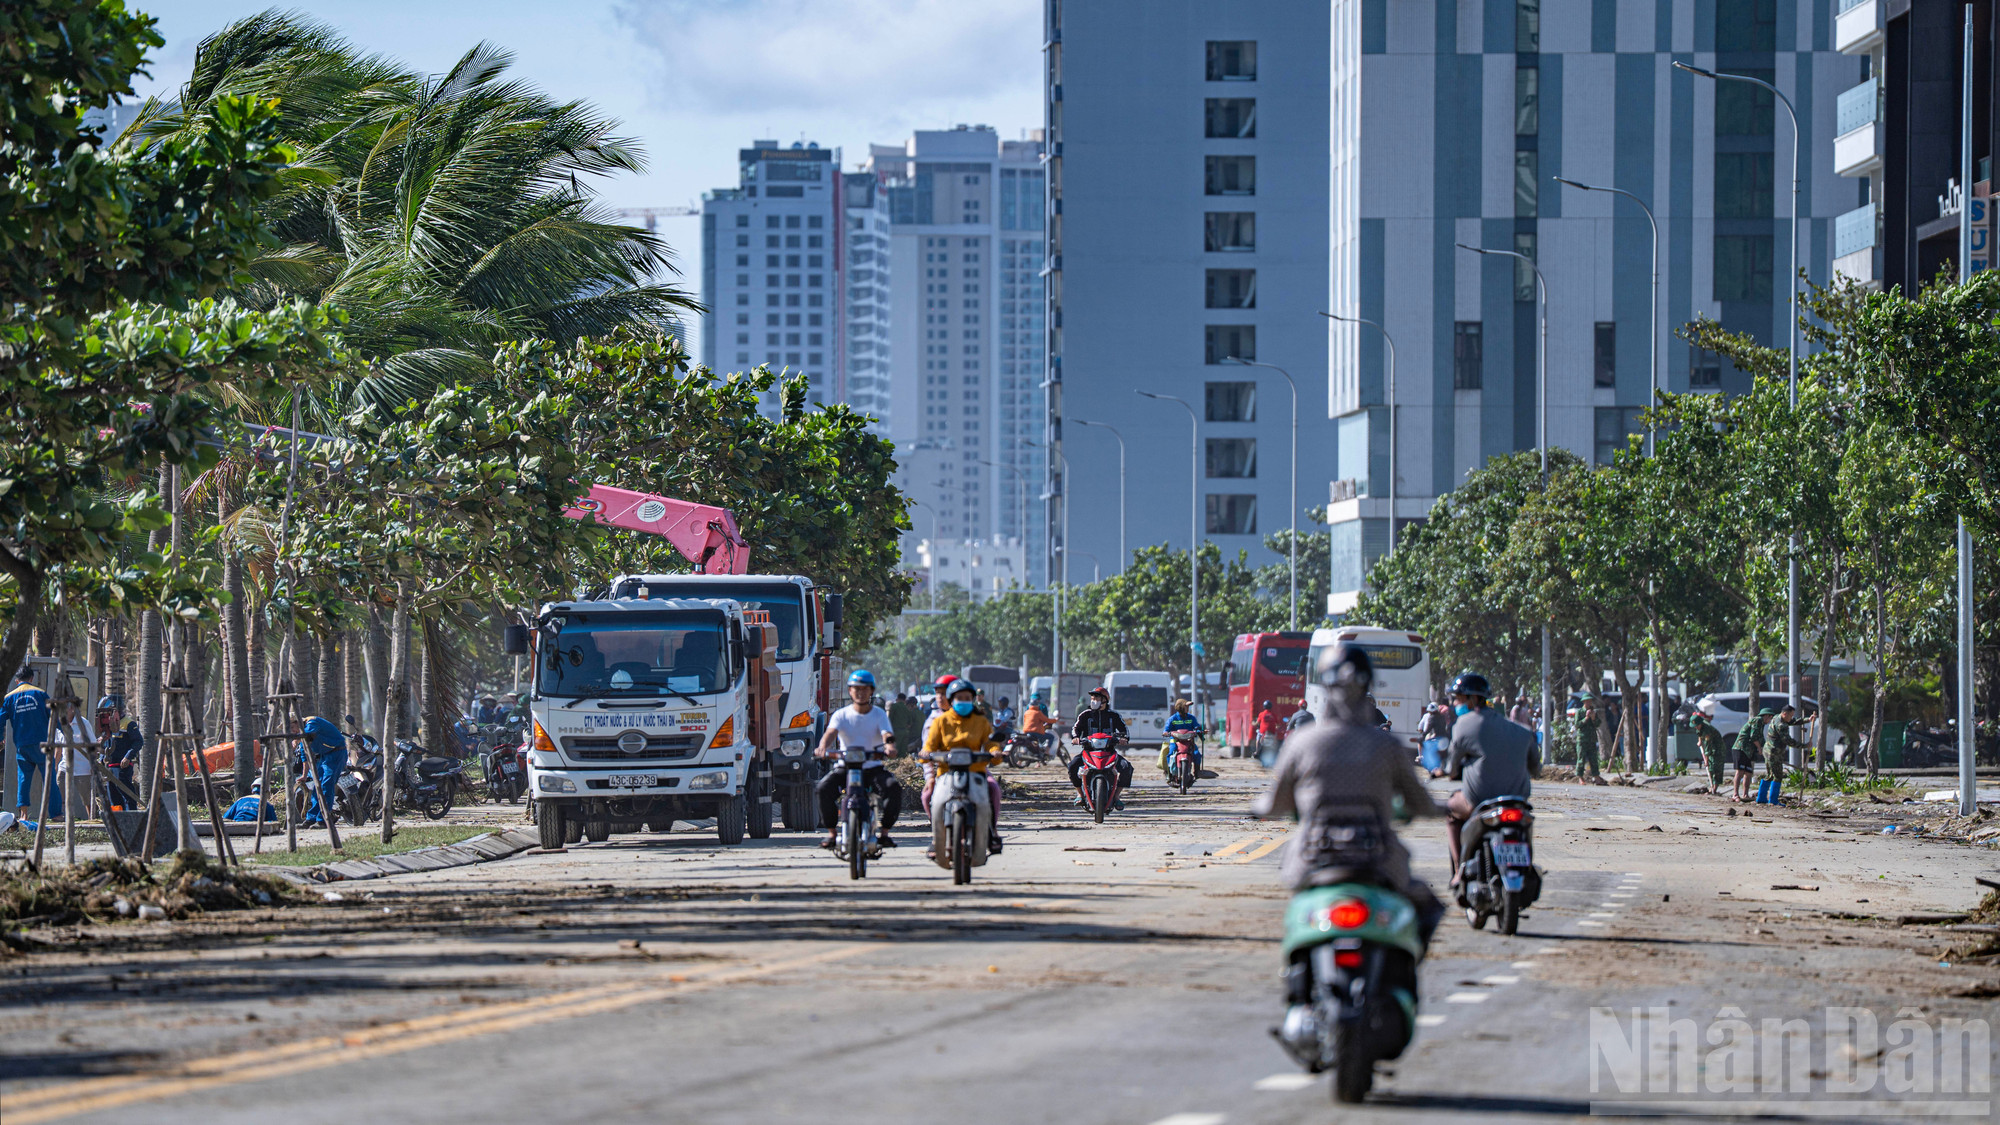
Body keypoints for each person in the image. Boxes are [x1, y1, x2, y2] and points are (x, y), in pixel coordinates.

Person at [1252, 644, 1445, 949]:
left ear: (1325, 687)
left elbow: (1275, 803)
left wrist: (1256, 807)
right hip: (1379, 859)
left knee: (1295, 922)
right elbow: (1420, 802)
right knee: (1428, 905)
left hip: (1313, 858)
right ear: (1368, 687)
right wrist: (1441, 809)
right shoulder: (1387, 745)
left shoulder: (1302, 743)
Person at [1431, 672, 1540, 887]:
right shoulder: (1523, 731)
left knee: (1451, 808)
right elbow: (1536, 770)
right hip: (1517, 801)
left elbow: (1451, 769)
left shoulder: (1463, 725)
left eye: (1458, 699)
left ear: (1472, 699)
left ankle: (1459, 871)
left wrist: (1440, 772)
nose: (1455, 704)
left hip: (1480, 801)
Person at [815, 669, 904, 849]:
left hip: (872, 768)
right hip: (845, 767)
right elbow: (830, 734)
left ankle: (885, 833)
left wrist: (890, 747)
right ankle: (832, 834)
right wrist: (822, 747)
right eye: (856, 688)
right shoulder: (841, 714)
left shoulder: (879, 714)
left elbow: (887, 734)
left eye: (865, 689)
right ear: (850, 691)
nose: (860, 692)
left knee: (893, 788)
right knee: (823, 788)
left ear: (871, 691)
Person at [921, 679, 1004, 854]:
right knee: (935, 801)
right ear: (952, 700)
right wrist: (926, 753)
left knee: (992, 790)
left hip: (976, 770)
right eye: (959, 698)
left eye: (967, 698)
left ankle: (991, 832)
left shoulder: (981, 721)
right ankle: (937, 837)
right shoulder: (940, 721)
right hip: (946, 772)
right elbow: (930, 745)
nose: (963, 701)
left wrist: (995, 751)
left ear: (972, 700)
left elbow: (990, 743)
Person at [1068, 686, 1134, 806]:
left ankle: (1116, 796)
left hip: (1109, 752)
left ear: (1105, 700)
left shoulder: (1114, 715)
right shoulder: (1085, 715)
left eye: (1097, 698)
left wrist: (1124, 738)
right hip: (1088, 752)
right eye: (1092, 698)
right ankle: (1080, 794)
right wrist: (1075, 737)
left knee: (1126, 767)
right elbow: (1075, 728)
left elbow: (1124, 729)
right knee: (1072, 765)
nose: (1094, 700)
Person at [2, 669, 53, 822]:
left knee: (23, 779)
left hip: (22, 745)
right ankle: (55, 814)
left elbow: (0, 718)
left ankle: (23, 814)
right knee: (49, 778)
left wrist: (0, 738)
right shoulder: (41, 694)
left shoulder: (9, 697)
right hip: (42, 744)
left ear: (17, 680)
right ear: (32, 678)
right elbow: (54, 716)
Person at [296, 714, 348, 828]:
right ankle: (311, 818)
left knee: (326, 785)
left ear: (297, 723)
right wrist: (304, 775)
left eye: (291, 727)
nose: (291, 731)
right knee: (317, 786)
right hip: (324, 756)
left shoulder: (312, 722)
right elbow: (305, 758)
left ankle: (323, 819)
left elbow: (309, 733)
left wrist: (298, 738)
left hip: (337, 753)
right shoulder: (302, 741)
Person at [51, 699, 94, 822]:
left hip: (82, 767)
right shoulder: (60, 725)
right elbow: (58, 747)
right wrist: (55, 765)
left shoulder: (83, 723)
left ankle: (91, 818)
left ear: (72, 709)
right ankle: (61, 818)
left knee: (86, 798)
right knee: (59, 792)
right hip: (65, 766)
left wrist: (93, 764)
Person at [96, 696, 142, 803]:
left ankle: (132, 812)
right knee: (113, 795)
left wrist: (128, 757)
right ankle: (117, 813)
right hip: (109, 767)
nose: (105, 716)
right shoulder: (106, 726)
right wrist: (101, 759)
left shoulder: (128, 724)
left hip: (122, 767)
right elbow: (105, 746)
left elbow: (138, 741)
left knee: (127, 794)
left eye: (108, 712)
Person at [1158, 697, 1206, 777]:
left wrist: (1201, 731)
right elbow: (1166, 730)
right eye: (1186, 706)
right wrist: (1166, 733)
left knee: (1197, 754)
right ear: (1180, 707)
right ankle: (1169, 773)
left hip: (1189, 741)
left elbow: (1197, 727)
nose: (1188, 708)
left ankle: (1197, 772)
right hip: (1175, 741)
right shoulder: (1172, 719)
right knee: (1171, 753)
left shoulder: (1191, 718)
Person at [1761, 703, 1799, 804]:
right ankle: (1773, 800)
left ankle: (1761, 798)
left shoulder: (1777, 717)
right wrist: (1804, 745)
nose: (1791, 718)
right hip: (1774, 753)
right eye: (1790, 715)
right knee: (1777, 776)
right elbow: (1788, 741)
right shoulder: (1781, 725)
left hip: (1768, 751)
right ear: (1785, 714)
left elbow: (1792, 721)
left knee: (1769, 775)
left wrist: (1807, 720)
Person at [1732, 706, 1768, 802]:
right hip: (1741, 748)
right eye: (1770, 718)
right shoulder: (1758, 720)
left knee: (1748, 772)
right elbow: (1754, 737)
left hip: (1749, 751)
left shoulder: (1761, 724)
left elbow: (1761, 738)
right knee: (1740, 771)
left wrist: (1766, 749)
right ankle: (1735, 794)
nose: (1770, 721)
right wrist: (1759, 748)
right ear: (1766, 716)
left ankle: (1745, 794)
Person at [1689, 708, 1726, 791]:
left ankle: (1714, 788)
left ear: (1700, 723)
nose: (1696, 728)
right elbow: (1699, 733)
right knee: (1711, 768)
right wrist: (1700, 741)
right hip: (1711, 747)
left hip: (1718, 748)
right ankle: (1711, 786)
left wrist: (1706, 760)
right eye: (1695, 726)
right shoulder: (1700, 726)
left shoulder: (1707, 731)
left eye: (1697, 726)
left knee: (1715, 768)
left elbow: (1708, 747)